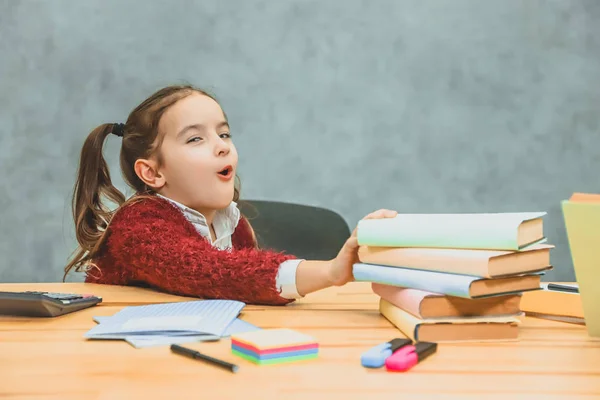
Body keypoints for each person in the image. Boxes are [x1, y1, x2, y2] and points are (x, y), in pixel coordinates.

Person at [65, 85, 397, 305]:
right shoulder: (139, 226)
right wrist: (329, 271)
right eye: (195, 139)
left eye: (224, 133)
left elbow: (245, 295)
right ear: (152, 173)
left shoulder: (233, 227)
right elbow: (217, 274)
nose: (222, 145)